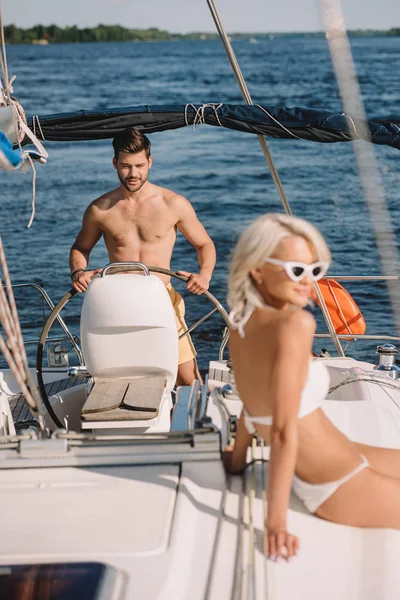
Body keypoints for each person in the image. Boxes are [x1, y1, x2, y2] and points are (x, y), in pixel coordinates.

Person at [225, 213, 400, 562]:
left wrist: (237, 460)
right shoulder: (295, 323)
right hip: (338, 482)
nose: (309, 282)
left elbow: (253, 398)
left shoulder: (239, 319)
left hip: (342, 457)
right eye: (296, 270)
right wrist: (275, 524)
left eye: (315, 270)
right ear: (257, 268)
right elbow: (283, 429)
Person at [69, 127, 216, 386]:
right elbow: (81, 248)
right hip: (118, 304)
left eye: (139, 165)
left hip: (164, 300)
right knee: (118, 376)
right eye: (125, 166)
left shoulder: (173, 203)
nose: (133, 173)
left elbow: (204, 244)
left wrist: (204, 275)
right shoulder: (99, 209)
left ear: (150, 161)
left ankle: (190, 425)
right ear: (115, 163)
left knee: (187, 380)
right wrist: (78, 272)